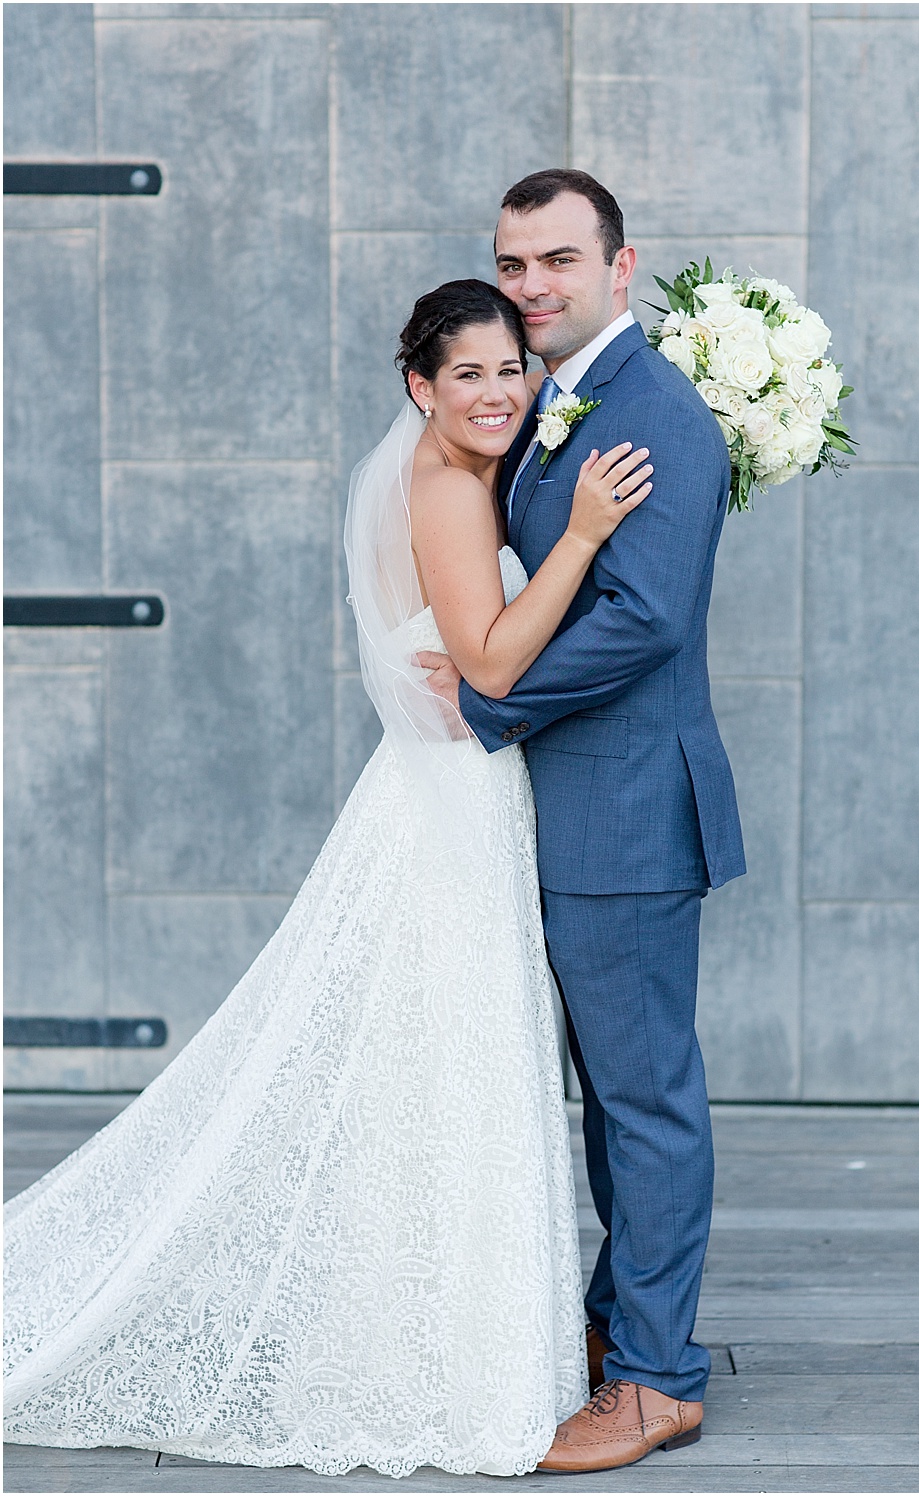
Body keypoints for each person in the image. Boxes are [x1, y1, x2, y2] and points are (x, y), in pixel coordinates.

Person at [3, 279, 653, 1479]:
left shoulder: (450, 471)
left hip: (450, 790)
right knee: (451, 1060)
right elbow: (494, 657)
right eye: (468, 373)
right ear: (420, 385)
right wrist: (579, 539)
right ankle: (446, 1357)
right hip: (451, 805)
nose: (499, 390)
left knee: (431, 1063)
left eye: (511, 367)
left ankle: (448, 1330)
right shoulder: (448, 488)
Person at [418, 170, 746, 1475]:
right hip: (566, 812)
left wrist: (490, 697)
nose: (533, 284)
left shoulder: (657, 409)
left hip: (622, 813)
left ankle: (659, 1380)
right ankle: (623, 1328)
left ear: (622, 266)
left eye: (559, 259)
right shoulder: (555, 398)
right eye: (513, 264)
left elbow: (645, 619)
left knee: (645, 1100)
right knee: (611, 1102)